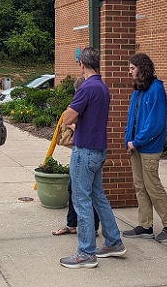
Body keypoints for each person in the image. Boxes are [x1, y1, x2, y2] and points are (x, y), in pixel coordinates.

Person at [60, 47, 126, 269]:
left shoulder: (87, 87)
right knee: (98, 197)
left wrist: (70, 120)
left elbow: (68, 116)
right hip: (98, 149)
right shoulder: (102, 87)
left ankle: (86, 252)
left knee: (82, 200)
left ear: (82, 64)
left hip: (85, 150)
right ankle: (113, 241)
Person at [122, 53, 167, 242]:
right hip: (136, 146)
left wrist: (136, 141)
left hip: (148, 148)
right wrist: (128, 140)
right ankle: (145, 225)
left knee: (152, 186)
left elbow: (155, 123)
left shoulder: (156, 89)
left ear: (142, 69)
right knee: (140, 186)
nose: (129, 71)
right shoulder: (137, 90)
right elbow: (131, 118)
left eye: (132, 68)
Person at [52, 76, 101, 238]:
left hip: (87, 152)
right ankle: (71, 224)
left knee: (87, 193)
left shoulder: (88, 102)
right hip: (78, 151)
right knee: (73, 188)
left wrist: (72, 124)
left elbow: (74, 122)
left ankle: (92, 228)